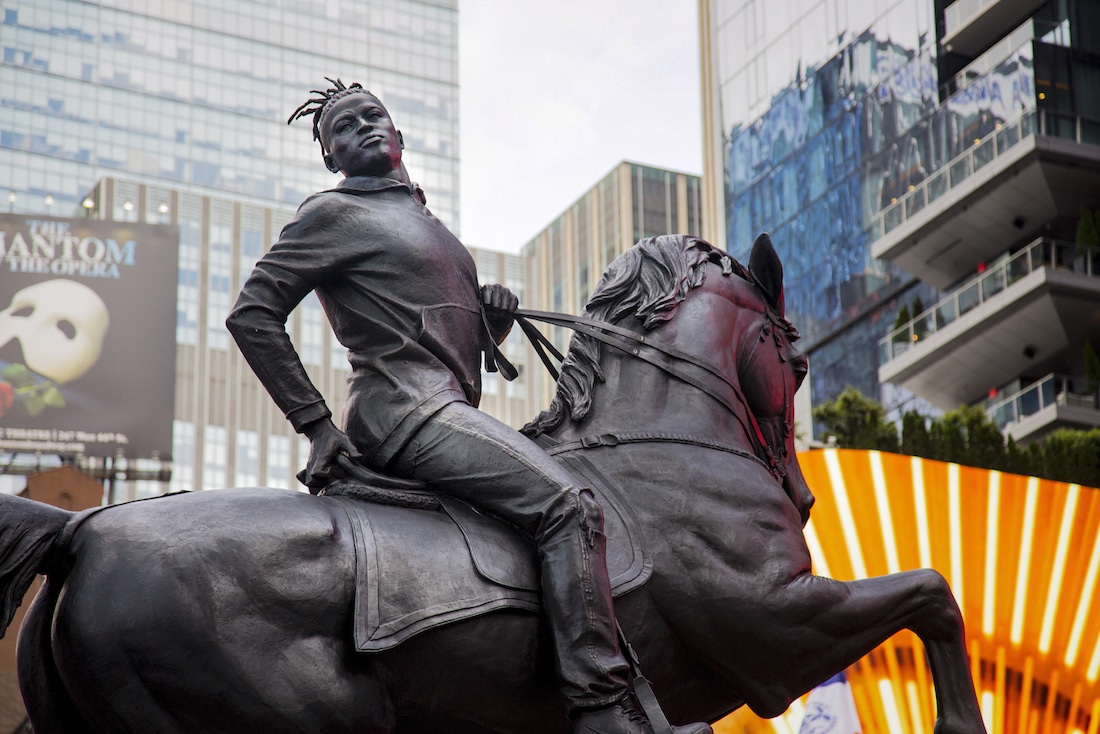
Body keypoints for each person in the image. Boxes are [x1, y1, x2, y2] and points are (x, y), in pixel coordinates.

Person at [226, 78, 711, 734]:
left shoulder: (427, 224)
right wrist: (313, 423)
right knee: (569, 506)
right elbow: (253, 314)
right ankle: (600, 711)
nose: (364, 128)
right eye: (344, 128)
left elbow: (444, 340)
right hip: (404, 411)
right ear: (333, 159)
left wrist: (493, 321)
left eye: (374, 117)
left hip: (439, 404)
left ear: (398, 136)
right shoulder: (332, 214)